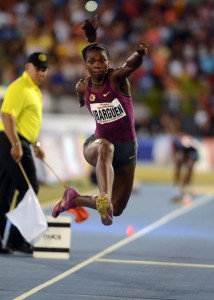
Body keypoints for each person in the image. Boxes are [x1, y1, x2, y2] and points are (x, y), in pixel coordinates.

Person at [52, 18, 148, 225]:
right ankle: (103, 195)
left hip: (128, 150)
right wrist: (81, 99)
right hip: (97, 145)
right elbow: (81, 95)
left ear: (108, 62)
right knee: (106, 147)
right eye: (92, 62)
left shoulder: (117, 80)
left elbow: (130, 66)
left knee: (118, 208)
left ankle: (73, 199)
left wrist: (139, 54)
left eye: (102, 61)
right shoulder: (81, 87)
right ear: (86, 66)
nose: (97, 65)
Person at [0, 52, 49, 254]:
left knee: (5, 191)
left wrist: (34, 143)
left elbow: (26, 121)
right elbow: (6, 115)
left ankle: (7, 239)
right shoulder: (20, 87)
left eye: (44, 69)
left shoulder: (34, 90)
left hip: (18, 141)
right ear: (28, 67)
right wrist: (16, 144)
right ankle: (16, 240)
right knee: (29, 187)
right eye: (38, 68)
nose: (41, 72)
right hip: (11, 140)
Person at [171, 133, 199, 201]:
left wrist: (189, 162)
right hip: (183, 154)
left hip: (192, 155)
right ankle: (177, 185)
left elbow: (195, 157)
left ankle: (186, 185)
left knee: (190, 168)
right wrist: (175, 158)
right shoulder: (177, 143)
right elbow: (174, 151)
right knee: (178, 165)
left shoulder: (194, 147)